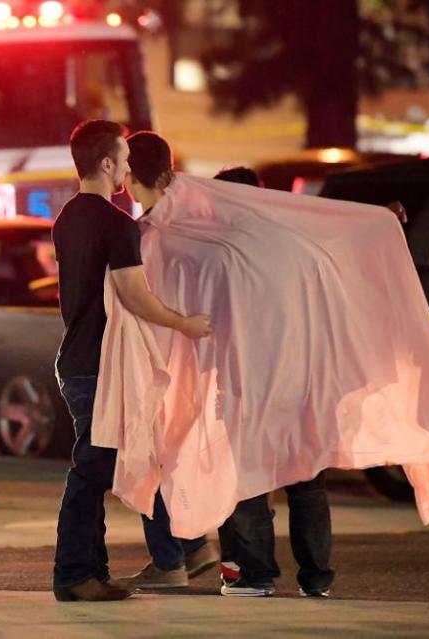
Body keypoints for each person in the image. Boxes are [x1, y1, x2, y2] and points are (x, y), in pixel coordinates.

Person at [124, 138, 334, 599]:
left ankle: (253, 573)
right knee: (306, 476)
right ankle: (316, 576)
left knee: (248, 477)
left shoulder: (216, 249)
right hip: (302, 377)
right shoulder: (296, 244)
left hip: (247, 380)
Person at [51, 120, 212, 603]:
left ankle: (93, 573)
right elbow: (135, 297)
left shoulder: (68, 218)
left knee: (101, 466)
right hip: (103, 363)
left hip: (77, 357)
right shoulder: (115, 223)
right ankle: (74, 574)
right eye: (122, 158)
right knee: (92, 470)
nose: (127, 166)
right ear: (105, 164)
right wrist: (185, 323)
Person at [118, 131, 221, 591]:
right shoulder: (199, 226)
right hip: (194, 352)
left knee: (151, 456)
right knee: (170, 454)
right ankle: (193, 544)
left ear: (128, 176)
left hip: (160, 354)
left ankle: (170, 557)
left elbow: (140, 301)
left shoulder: (148, 234)